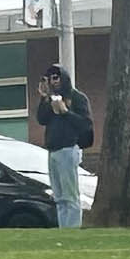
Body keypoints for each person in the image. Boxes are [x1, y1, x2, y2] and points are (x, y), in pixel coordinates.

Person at [32, 64, 93, 228]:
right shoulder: (51, 99)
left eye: (56, 77)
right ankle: (64, 229)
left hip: (68, 149)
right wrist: (44, 98)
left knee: (70, 195)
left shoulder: (77, 98)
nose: (54, 81)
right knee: (59, 197)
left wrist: (65, 112)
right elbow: (42, 119)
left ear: (63, 77)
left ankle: (72, 228)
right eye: (50, 79)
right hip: (53, 151)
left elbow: (85, 124)